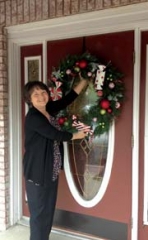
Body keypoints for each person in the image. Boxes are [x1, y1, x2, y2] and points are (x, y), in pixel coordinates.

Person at [23, 79, 88, 240]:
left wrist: (83, 81)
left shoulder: (48, 109)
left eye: (43, 92)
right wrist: (76, 135)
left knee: (48, 212)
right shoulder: (34, 117)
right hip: (37, 173)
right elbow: (55, 135)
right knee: (39, 215)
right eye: (35, 94)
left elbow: (67, 100)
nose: (40, 96)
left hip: (50, 171)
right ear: (29, 99)